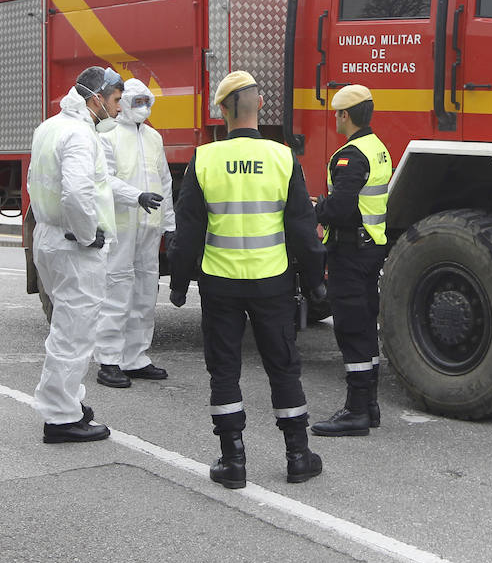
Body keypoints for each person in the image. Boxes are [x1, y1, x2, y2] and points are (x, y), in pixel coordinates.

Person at [168, 70, 327, 488]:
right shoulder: (281, 156)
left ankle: (232, 461)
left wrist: (180, 284)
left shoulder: (203, 159)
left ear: (222, 111)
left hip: (220, 283)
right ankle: (297, 455)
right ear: (260, 106)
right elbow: (302, 228)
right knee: (283, 367)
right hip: (271, 282)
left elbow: (187, 234)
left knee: (224, 370)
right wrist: (316, 281)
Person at [27, 65, 123, 444]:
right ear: (95, 98)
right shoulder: (82, 136)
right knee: (75, 333)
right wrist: (87, 236)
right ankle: (62, 418)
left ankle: (67, 401)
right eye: (115, 101)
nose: (118, 110)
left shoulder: (51, 126)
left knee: (64, 328)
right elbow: (77, 193)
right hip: (74, 245)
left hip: (49, 238)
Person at [310, 84, 391, 438]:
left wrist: (316, 209)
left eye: (337, 114)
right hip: (370, 248)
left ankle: (356, 411)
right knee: (365, 325)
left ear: (345, 115)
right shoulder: (378, 149)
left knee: (351, 328)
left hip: (350, 252)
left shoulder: (350, 155)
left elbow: (342, 208)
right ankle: (368, 405)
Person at [94, 78, 175, 389]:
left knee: (145, 292)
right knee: (116, 290)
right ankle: (110, 359)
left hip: (149, 227)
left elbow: (164, 182)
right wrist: (136, 196)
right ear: (123, 101)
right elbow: (105, 180)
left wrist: (170, 224)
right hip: (122, 225)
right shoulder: (108, 135)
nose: (143, 107)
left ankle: (136, 357)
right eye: (136, 101)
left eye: (146, 102)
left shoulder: (153, 137)